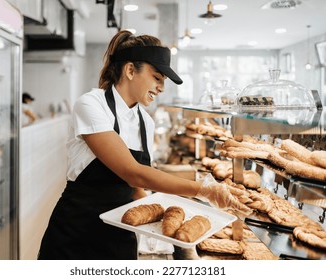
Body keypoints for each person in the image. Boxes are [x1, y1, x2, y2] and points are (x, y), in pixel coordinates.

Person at [37, 30, 251, 260]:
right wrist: (204, 190)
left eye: (163, 82)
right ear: (130, 70)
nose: (161, 88)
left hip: (122, 231)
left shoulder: (145, 122)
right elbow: (134, 173)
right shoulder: (91, 105)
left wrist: (166, 223)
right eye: (157, 77)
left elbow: (135, 189)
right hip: (76, 231)